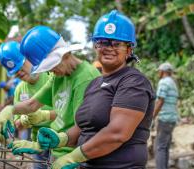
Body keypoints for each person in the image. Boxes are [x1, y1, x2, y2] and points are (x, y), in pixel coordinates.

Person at [36, 10, 156, 169]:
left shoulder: (134, 82)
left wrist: (73, 157)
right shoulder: (95, 83)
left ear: (128, 50)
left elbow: (117, 133)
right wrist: (61, 139)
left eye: (116, 43)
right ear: (95, 46)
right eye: (103, 42)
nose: (109, 48)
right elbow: (84, 128)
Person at [9, 25, 100, 159]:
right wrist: (8, 111)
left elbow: (82, 128)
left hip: (72, 155)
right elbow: (32, 104)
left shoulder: (84, 78)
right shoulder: (58, 76)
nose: (49, 71)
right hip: (57, 151)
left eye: (51, 65)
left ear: (66, 54)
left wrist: (40, 146)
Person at [0, 41, 55, 169]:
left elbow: (68, 112)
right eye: (16, 73)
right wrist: (23, 120)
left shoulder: (51, 76)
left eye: (21, 68)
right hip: (38, 145)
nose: (20, 73)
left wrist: (43, 116)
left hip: (60, 141)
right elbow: (18, 124)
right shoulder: (19, 89)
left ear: (29, 58)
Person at [153, 62, 179, 169]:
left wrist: (153, 115)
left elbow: (160, 100)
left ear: (163, 72)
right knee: (165, 147)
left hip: (165, 119)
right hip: (172, 119)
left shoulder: (163, 82)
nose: (158, 73)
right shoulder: (173, 83)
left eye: (159, 71)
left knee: (160, 147)